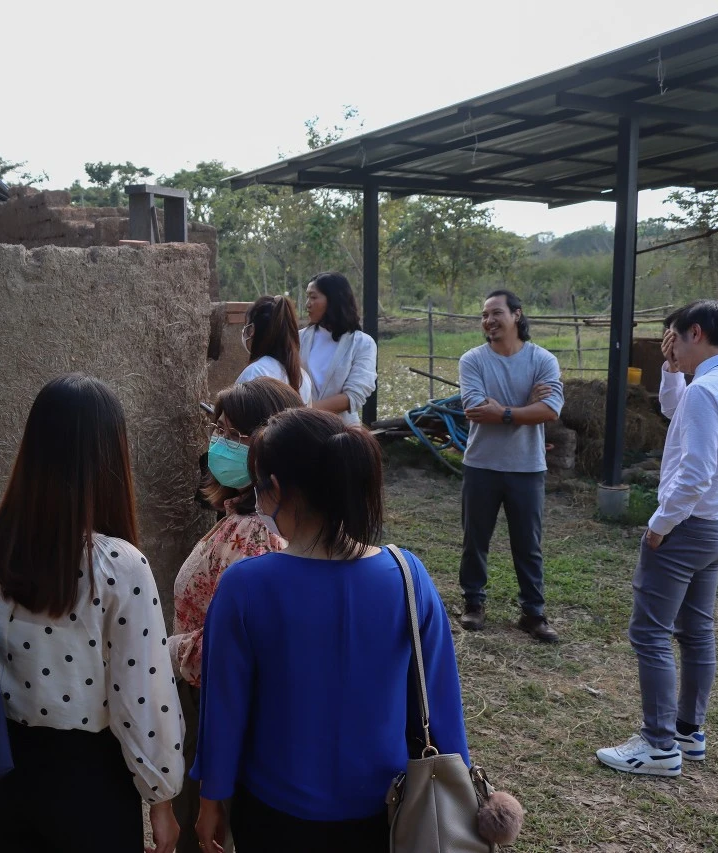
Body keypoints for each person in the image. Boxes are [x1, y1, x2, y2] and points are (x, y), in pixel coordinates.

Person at [192, 408, 468, 852]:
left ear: (275, 489)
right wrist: (459, 797)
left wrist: (212, 799)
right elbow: (440, 703)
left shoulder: (245, 587)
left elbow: (224, 710)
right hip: (390, 812)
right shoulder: (408, 576)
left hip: (273, 816)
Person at [0, 374, 183, 853]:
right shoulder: (119, 565)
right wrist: (162, 800)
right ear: (110, 457)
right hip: (88, 781)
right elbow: (142, 697)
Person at [168, 378, 302, 853]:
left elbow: (236, 643)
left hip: (218, 709)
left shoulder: (254, 535)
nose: (217, 444)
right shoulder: (244, 519)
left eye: (229, 434)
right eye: (217, 430)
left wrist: (169, 648)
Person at [596, 300, 718, 777]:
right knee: (696, 632)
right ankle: (688, 733)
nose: (665, 347)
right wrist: (671, 369)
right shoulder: (712, 385)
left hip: (685, 527)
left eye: (671, 338)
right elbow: (676, 411)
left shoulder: (708, 390)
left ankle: (657, 744)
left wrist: (659, 525)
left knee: (650, 632)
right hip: (715, 527)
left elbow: (694, 473)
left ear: (695, 332)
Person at [457, 289, 563, 642]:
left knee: (528, 544)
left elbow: (550, 410)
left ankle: (533, 613)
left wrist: (502, 411)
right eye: (484, 315)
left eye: (496, 312)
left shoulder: (542, 360)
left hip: (528, 467)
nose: (488, 320)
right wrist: (524, 410)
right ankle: (473, 604)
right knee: (475, 539)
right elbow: (476, 409)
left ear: (517, 315)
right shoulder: (472, 360)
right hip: (481, 465)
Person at [300, 272, 378, 426]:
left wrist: (304, 411)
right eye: (307, 297)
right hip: (301, 429)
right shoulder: (298, 339)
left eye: (314, 297)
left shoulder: (362, 343)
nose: (308, 304)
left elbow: (354, 396)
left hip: (343, 432)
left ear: (334, 300)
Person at [236, 295, 314, 404]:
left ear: (252, 329)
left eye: (246, 325)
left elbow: (237, 417)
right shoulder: (303, 378)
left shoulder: (254, 373)